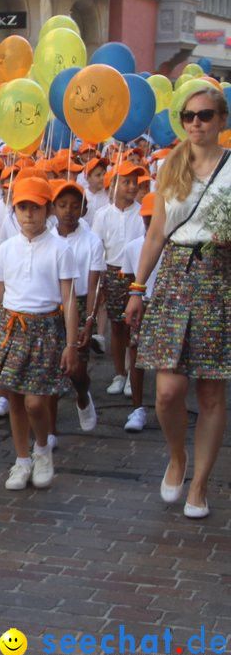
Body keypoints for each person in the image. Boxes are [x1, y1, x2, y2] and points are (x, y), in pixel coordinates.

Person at [125, 86, 230, 519]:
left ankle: (200, 484)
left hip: (221, 279)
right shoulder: (171, 166)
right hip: (174, 277)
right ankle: (176, 456)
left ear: (222, 119)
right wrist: (137, 287)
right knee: (167, 393)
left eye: (205, 115)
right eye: (188, 116)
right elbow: (155, 235)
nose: (196, 124)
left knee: (209, 393)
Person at [0, 177, 79, 490]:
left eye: (35, 207)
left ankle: (43, 449)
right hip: (12, 327)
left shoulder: (61, 249)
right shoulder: (6, 248)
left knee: (37, 402)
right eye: (22, 207)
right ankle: (21, 459)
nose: (29, 214)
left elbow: (69, 298)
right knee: (15, 398)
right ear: (15, 210)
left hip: (45, 329)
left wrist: (71, 343)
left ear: (46, 209)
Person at [49, 180, 106, 444]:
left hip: (80, 302)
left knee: (76, 372)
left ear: (83, 210)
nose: (68, 211)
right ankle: (49, 431)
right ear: (53, 208)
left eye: (74, 206)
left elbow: (94, 286)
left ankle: (82, 395)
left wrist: (90, 320)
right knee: (49, 369)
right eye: (62, 205)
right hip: (51, 305)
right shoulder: (46, 237)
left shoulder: (92, 241)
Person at [92, 162, 146, 398]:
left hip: (137, 275)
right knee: (116, 326)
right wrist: (101, 281)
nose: (132, 186)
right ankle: (119, 373)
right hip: (113, 273)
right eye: (126, 182)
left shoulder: (143, 213)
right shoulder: (103, 215)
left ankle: (133, 374)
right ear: (113, 185)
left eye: (135, 182)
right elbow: (98, 249)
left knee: (134, 327)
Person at [120, 191, 158, 433]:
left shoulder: (177, 246)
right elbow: (130, 280)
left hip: (167, 304)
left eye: (155, 218)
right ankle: (137, 408)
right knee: (135, 354)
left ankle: (170, 406)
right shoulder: (134, 247)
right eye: (146, 218)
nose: (150, 223)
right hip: (142, 301)